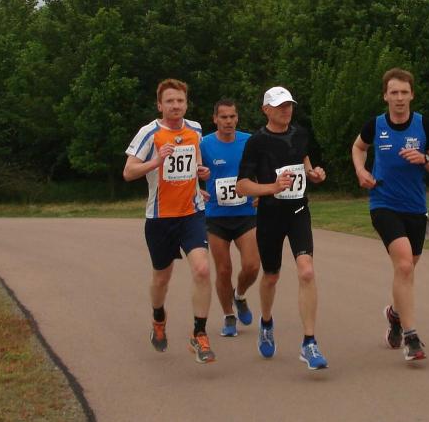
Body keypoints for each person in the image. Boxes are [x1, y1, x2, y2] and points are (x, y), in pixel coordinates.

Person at [350, 68, 429, 361]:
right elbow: (358, 147)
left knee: (408, 268)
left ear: (412, 95)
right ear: (385, 96)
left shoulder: (424, 125)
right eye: (394, 92)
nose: (400, 98)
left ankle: (394, 314)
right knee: (404, 265)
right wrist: (361, 171)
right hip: (383, 204)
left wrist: (424, 158)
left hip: (415, 208)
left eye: (404, 92)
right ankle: (411, 337)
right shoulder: (375, 125)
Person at [123, 78, 216, 364]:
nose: (176, 105)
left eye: (180, 101)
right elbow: (128, 172)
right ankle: (158, 318)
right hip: (160, 218)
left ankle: (199, 334)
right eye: (170, 101)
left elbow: (195, 163)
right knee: (161, 279)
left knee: (202, 269)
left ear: (186, 104)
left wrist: (201, 175)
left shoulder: (195, 129)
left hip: (192, 213)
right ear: (160, 105)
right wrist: (156, 161)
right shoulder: (149, 133)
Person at [236, 86, 329, 370]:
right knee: (271, 276)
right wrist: (271, 188)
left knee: (307, 271)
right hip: (270, 215)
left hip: (298, 211)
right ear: (266, 110)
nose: (286, 110)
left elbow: (302, 159)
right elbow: (242, 185)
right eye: (279, 106)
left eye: (288, 105)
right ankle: (266, 323)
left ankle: (309, 343)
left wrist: (313, 173)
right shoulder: (257, 142)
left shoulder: (300, 133)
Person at [201, 99, 261, 337]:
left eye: (232, 116)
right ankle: (228, 315)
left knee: (252, 266)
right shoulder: (204, 144)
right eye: (223, 117)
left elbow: (263, 168)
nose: (228, 121)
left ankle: (240, 295)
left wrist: (261, 192)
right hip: (216, 216)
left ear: (237, 118)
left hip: (246, 213)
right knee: (224, 269)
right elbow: (191, 171)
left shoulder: (249, 141)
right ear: (215, 119)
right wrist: (197, 190)